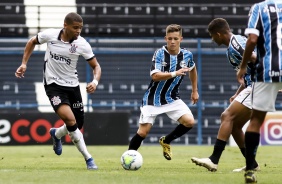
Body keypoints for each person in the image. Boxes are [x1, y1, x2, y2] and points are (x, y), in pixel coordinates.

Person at [15, 12, 101, 170]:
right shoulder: (51, 35)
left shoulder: (82, 44)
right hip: (53, 86)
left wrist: (95, 81)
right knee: (70, 120)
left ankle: (56, 134)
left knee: (77, 123)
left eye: (80, 28)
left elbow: (96, 66)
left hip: (72, 86)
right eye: (75, 28)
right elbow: (32, 41)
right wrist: (24, 63)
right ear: (65, 25)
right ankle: (89, 159)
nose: (78, 31)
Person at [191, 18, 260, 172]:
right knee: (235, 126)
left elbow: (256, 59)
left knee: (226, 116)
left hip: (258, 85)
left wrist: (269, 80)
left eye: (212, 36)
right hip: (253, 85)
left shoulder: (236, 45)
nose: (212, 39)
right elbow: (248, 72)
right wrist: (237, 93)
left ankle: (213, 159)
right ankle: (252, 164)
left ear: (218, 34)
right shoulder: (235, 44)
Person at [127, 24, 199, 160]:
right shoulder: (160, 53)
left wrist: (195, 90)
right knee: (143, 132)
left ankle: (166, 141)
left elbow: (193, 70)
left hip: (172, 98)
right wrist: (175, 73)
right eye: (170, 38)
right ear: (165, 38)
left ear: (181, 39)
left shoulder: (187, 55)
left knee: (189, 122)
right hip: (152, 98)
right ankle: (128, 158)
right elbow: (155, 76)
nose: (172, 41)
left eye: (175, 39)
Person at [237, 1, 282, 183]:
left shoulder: (259, 8)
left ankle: (249, 170)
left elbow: (252, 39)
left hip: (267, 69)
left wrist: (242, 67)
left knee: (256, 120)